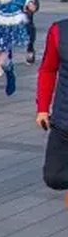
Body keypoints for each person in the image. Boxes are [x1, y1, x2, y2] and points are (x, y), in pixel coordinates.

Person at [36, 15, 68, 205]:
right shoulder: (59, 31)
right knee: (53, 177)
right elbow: (48, 69)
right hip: (64, 120)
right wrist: (42, 109)